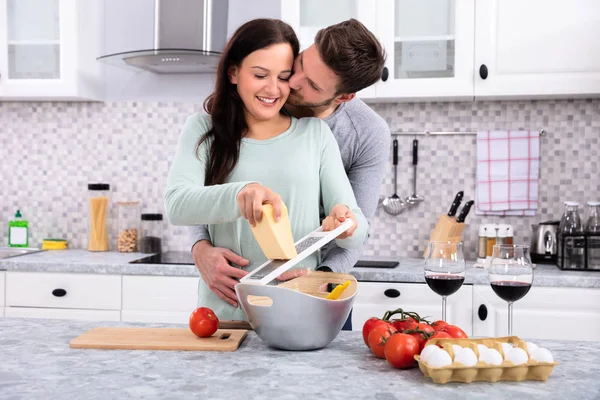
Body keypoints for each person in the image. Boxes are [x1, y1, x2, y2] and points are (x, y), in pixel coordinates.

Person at [164, 18, 369, 321]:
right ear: (233, 73)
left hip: (300, 312)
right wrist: (240, 193)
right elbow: (177, 204)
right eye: (260, 74)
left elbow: (357, 224)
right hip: (226, 316)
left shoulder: (315, 134)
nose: (273, 89)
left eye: (284, 77)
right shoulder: (202, 130)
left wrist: (347, 224)